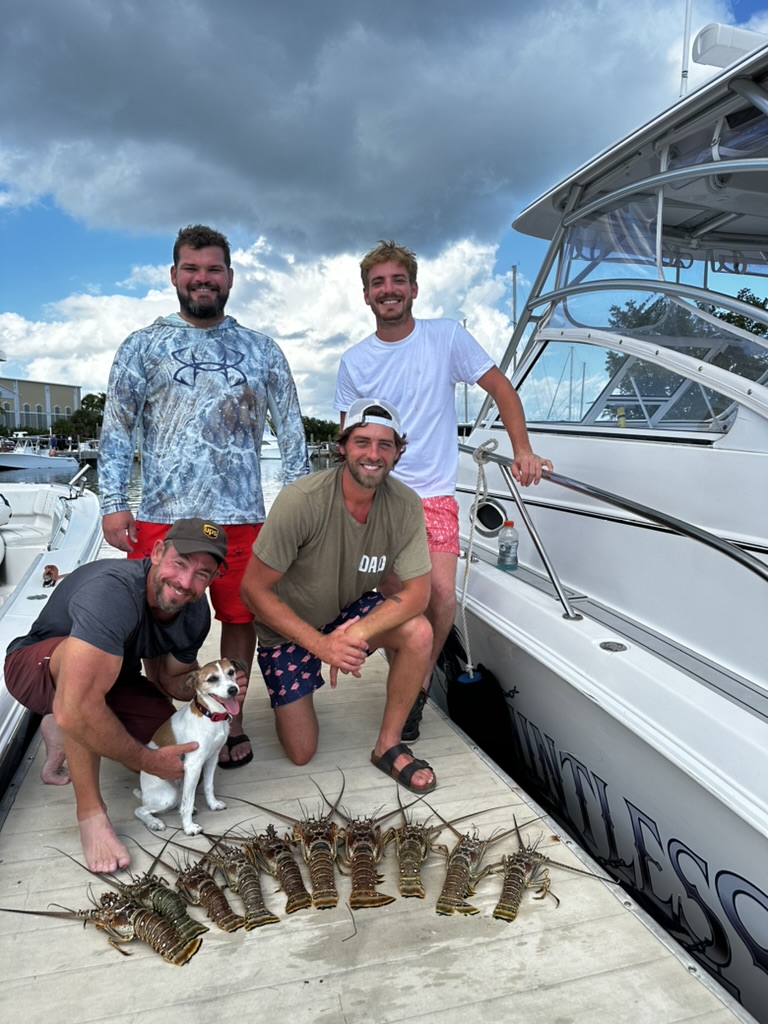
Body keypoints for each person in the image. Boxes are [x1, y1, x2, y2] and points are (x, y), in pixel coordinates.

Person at [99, 224, 309, 769]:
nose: (202, 279)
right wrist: (111, 501)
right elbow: (117, 429)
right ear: (174, 275)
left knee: (240, 617)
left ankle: (230, 720)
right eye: (191, 269)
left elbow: (292, 433)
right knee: (161, 617)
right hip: (163, 518)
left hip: (242, 517)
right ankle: (180, 714)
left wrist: (297, 506)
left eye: (213, 269)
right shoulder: (142, 345)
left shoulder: (261, 350)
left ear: (230, 278)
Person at [334, 239, 553, 741]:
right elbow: (349, 435)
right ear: (366, 295)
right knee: (397, 600)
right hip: (378, 495)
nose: (388, 291)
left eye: (396, 281)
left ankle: (409, 687)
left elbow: (501, 389)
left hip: (432, 492)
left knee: (438, 600)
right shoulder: (354, 361)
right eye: (377, 284)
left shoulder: (445, 338)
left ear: (413, 288)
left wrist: (522, 449)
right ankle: (408, 690)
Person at [4, 518, 239, 873]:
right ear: (158, 552)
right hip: (35, 666)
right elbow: (82, 705)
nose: (185, 583)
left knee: (166, 733)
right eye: (180, 563)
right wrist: (146, 760)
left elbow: (169, 680)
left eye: (202, 574)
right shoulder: (113, 591)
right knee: (81, 704)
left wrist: (209, 689)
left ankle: (59, 722)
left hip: (114, 678)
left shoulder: (195, 612)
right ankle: (91, 814)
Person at [240, 399, 436, 794]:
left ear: (399, 452)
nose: (373, 454)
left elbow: (418, 594)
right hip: (291, 628)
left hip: (347, 614)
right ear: (343, 446)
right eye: (362, 442)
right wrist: (320, 645)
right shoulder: (302, 499)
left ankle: (388, 744)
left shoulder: (406, 504)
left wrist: (355, 634)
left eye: (385, 444)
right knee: (301, 751)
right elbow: (252, 590)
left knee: (419, 632)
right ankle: (285, 691)